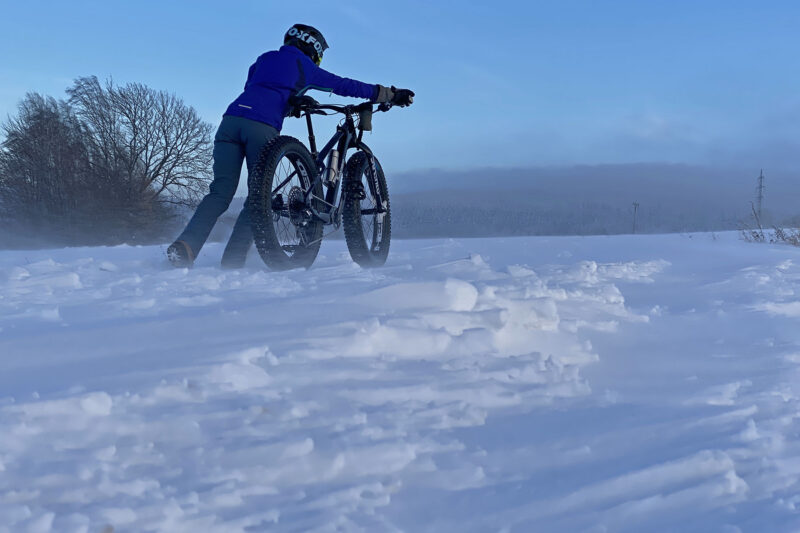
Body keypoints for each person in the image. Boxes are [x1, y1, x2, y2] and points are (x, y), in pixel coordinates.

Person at [167, 23, 414, 268]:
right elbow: (345, 85)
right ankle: (233, 260)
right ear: (314, 50)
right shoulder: (303, 65)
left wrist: (289, 103)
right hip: (261, 127)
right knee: (258, 198)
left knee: (219, 192)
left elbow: (254, 87)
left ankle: (185, 247)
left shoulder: (263, 59)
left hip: (230, 121)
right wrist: (389, 94)